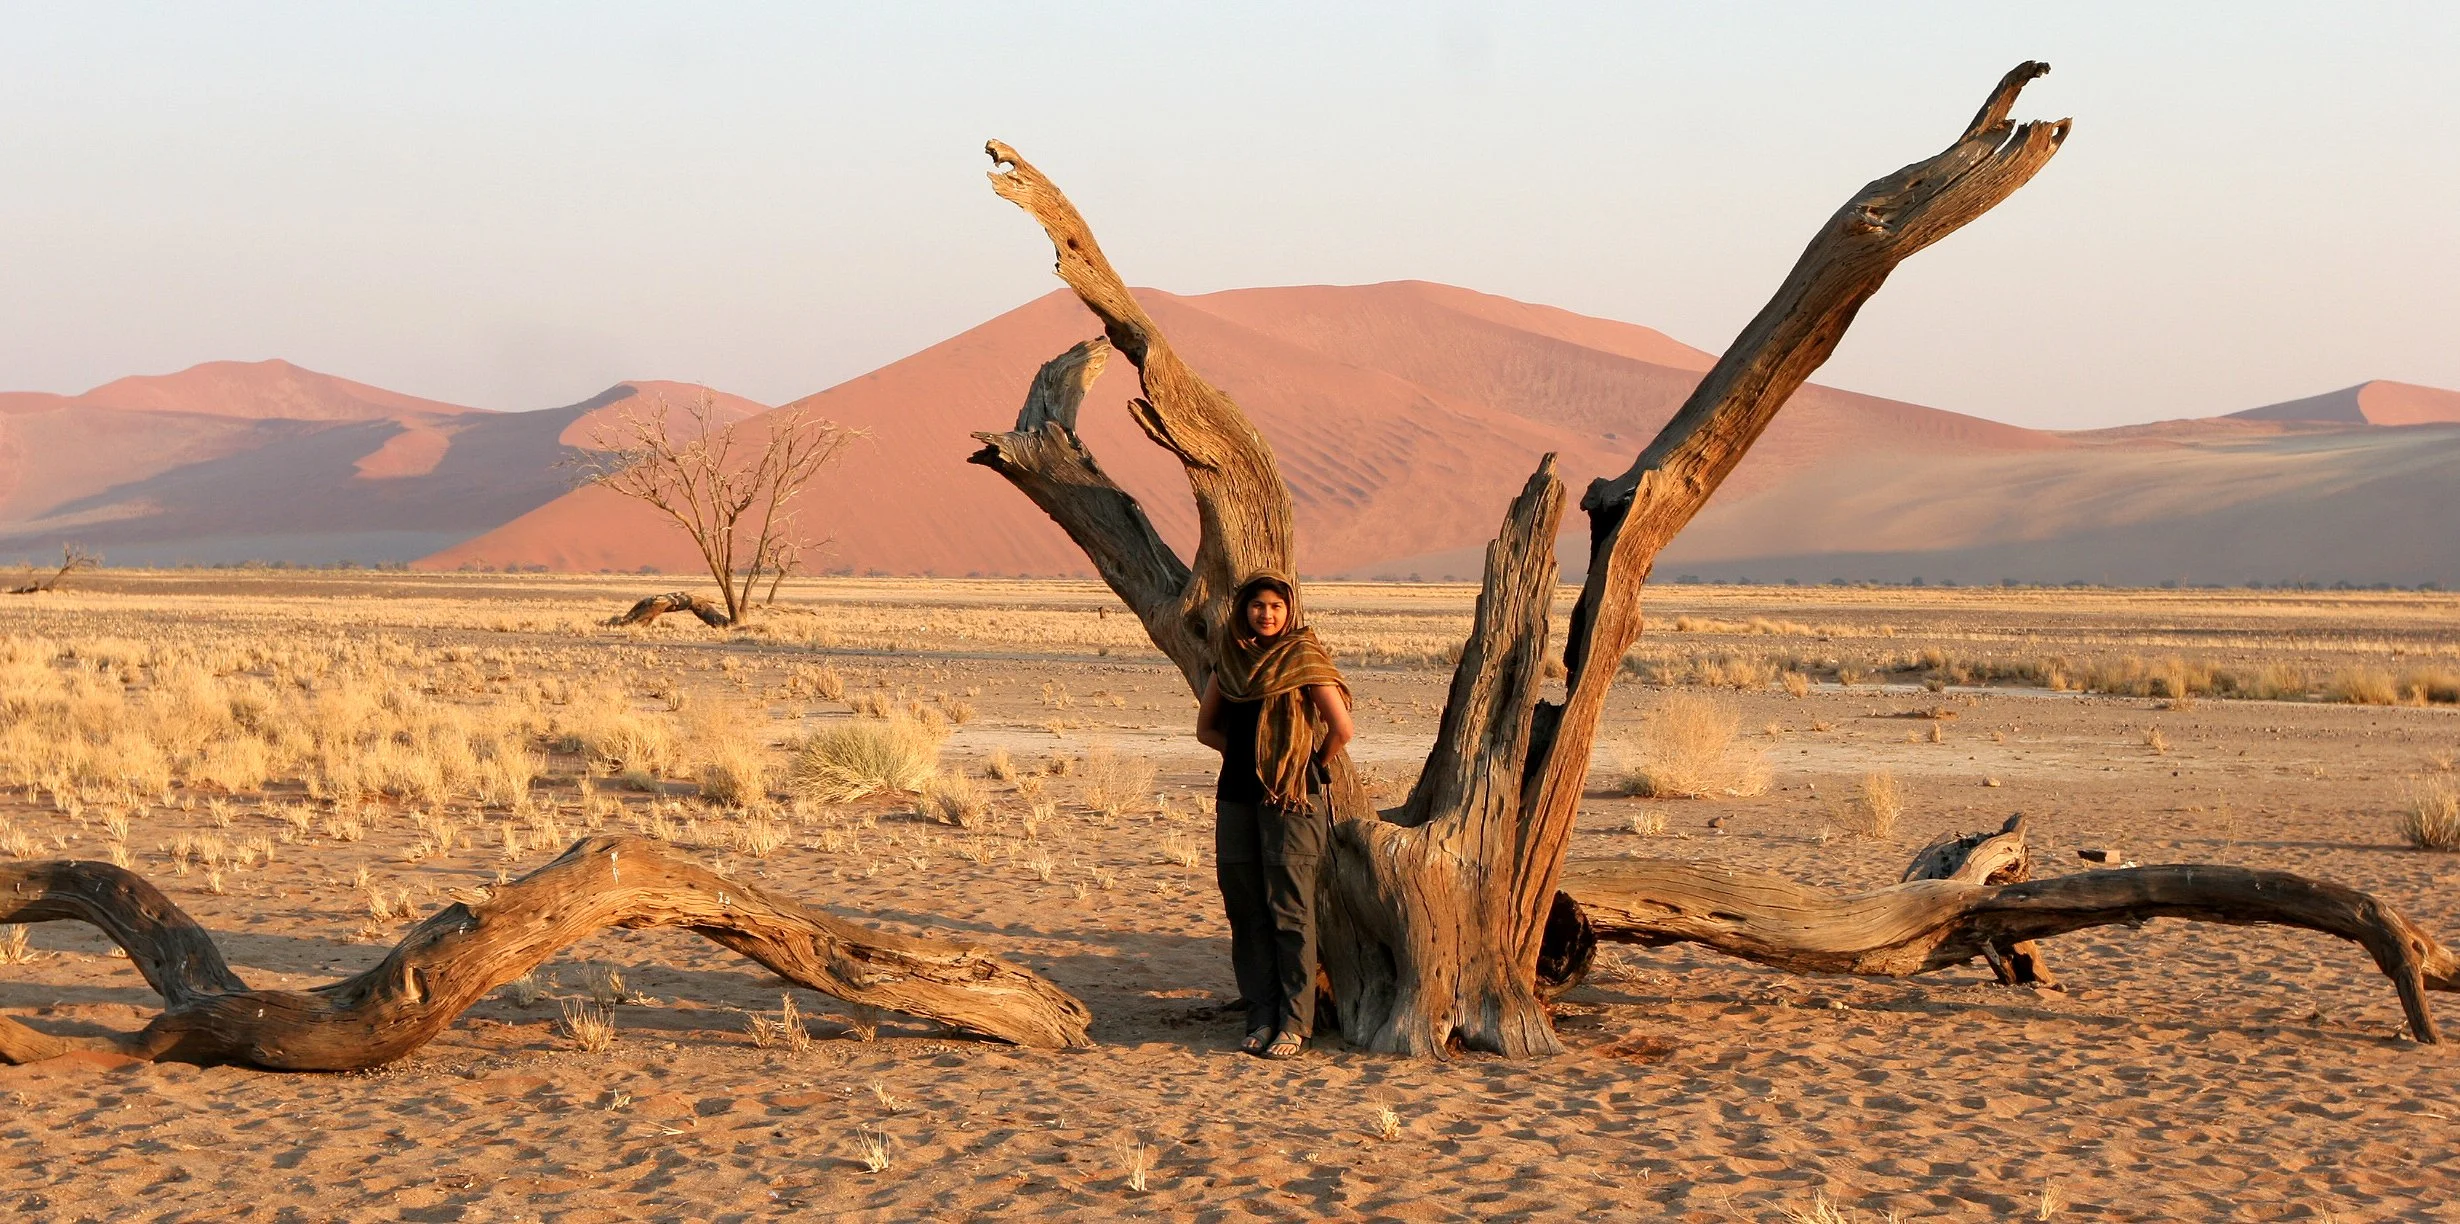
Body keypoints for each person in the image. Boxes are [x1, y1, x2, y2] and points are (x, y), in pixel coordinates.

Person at [1196, 572, 1353, 1060]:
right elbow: (1206, 730)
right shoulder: (1230, 664)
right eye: (1258, 606)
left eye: (1276, 607)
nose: (1266, 614)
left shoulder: (1304, 661)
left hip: (1292, 801)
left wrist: (1304, 766)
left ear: (1289, 613)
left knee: (1290, 913)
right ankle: (1260, 1015)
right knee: (1245, 910)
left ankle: (1295, 1021)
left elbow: (1340, 728)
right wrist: (1249, 758)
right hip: (1238, 797)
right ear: (1244, 609)